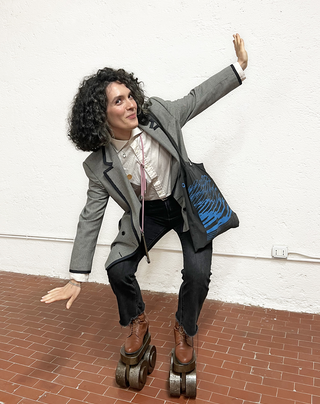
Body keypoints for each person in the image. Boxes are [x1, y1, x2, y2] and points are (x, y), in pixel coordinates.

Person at [41, 34, 248, 366]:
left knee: (197, 274)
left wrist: (238, 68)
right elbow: (90, 217)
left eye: (129, 96)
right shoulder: (99, 165)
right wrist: (76, 277)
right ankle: (137, 320)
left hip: (185, 207)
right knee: (118, 268)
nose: (130, 104)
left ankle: (185, 327)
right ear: (101, 114)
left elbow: (197, 98)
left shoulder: (160, 115)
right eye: (118, 101)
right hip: (147, 214)